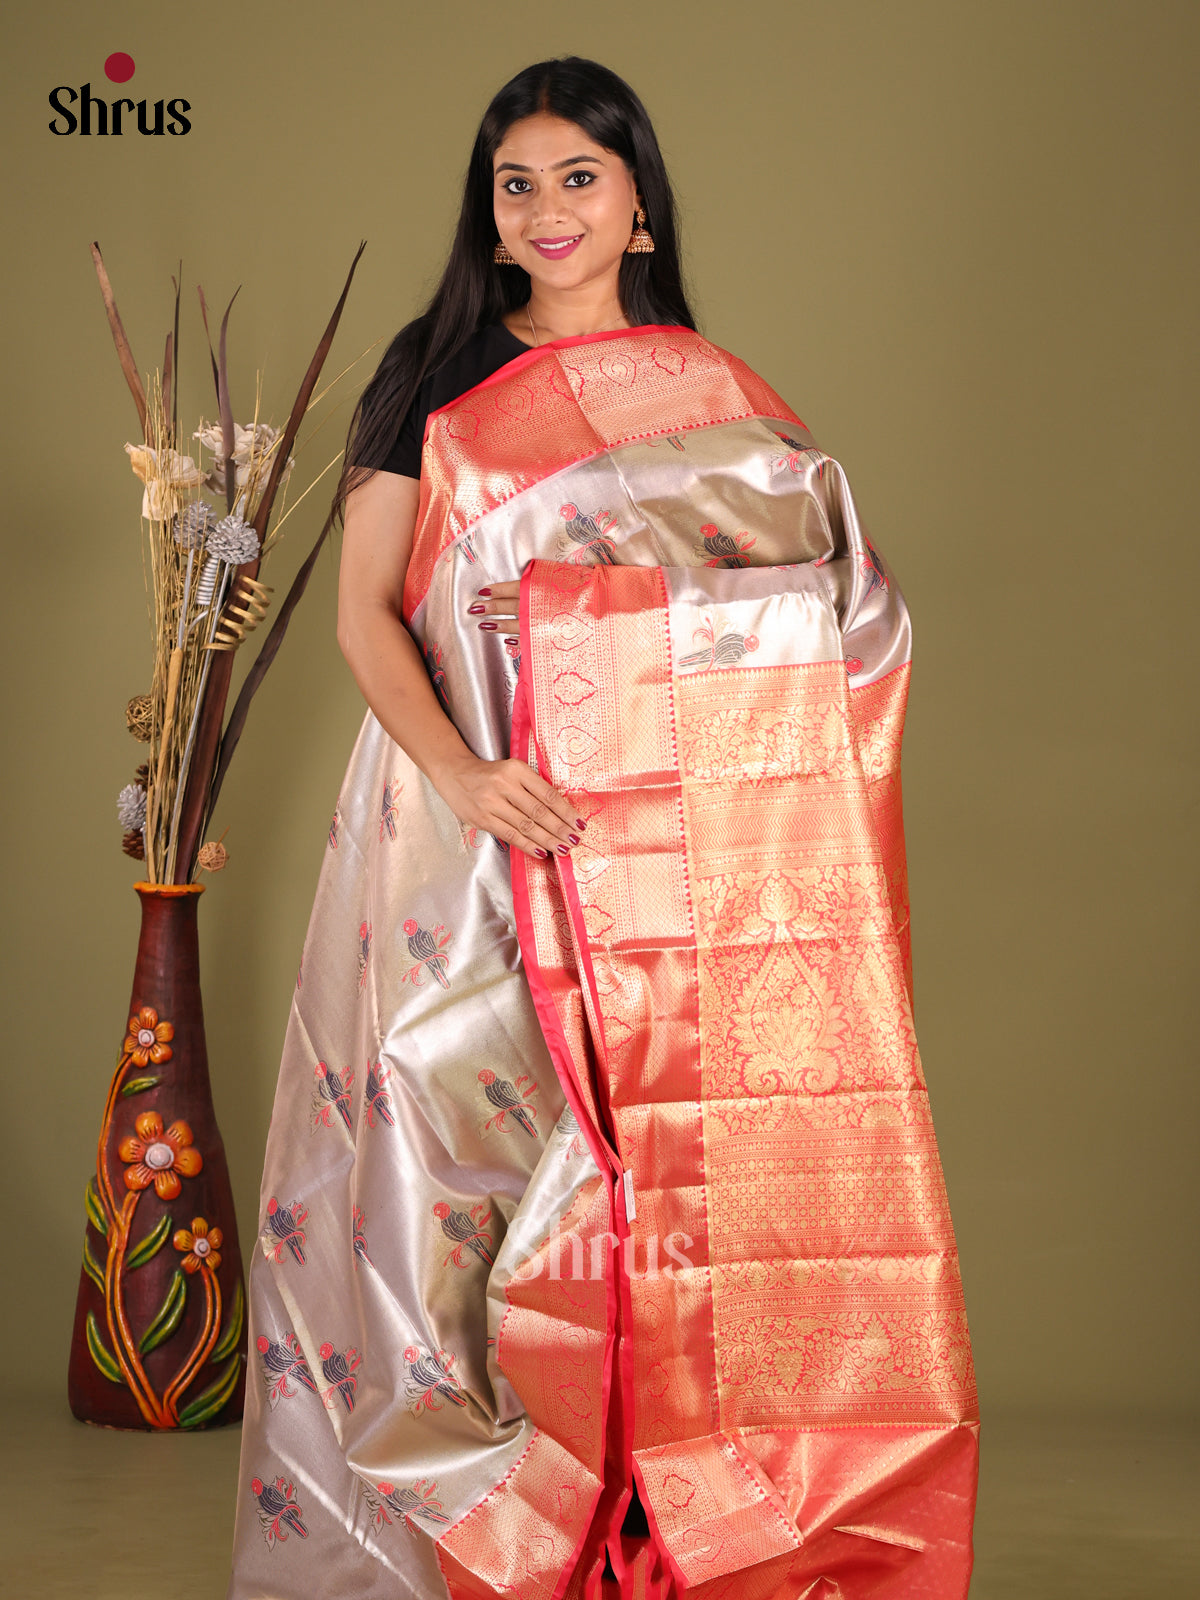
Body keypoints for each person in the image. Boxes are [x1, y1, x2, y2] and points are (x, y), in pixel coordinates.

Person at [227, 56, 980, 1600]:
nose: (547, 209)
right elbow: (367, 614)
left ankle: (660, 1505)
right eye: (516, 185)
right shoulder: (433, 375)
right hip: (473, 831)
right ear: (488, 216)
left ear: (639, 203)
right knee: (471, 1169)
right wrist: (465, 773)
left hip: (675, 861)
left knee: (656, 1179)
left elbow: (840, 616)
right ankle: (491, 1533)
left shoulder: (718, 397)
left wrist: (610, 622)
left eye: (579, 176)